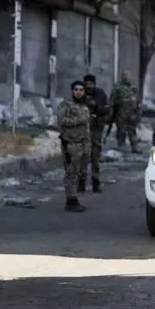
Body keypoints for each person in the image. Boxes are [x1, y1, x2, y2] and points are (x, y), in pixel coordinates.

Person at [58, 81, 91, 212]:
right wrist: (78, 120)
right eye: (76, 89)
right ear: (72, 91)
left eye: (81, 90)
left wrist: (88, 146)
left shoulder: (84, 107)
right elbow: (61, 121)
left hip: (83, 144)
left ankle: (75, 196)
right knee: (71, 173)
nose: (78, 92)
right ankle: (71, 201)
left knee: (79, 172)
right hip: (71, 144)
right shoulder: (65, 105)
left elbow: (87, 127)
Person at [83, 74, 110, 192]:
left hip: (96, 131)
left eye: (91, 84)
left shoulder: (100, 94)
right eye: (87, 84)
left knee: (95, 157)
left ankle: (95, 182)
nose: (89, 86)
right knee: (82, 157)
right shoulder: (80, 93)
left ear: (94, 84)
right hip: (82, 131)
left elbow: (106, 110)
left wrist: (96, 106)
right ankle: (81, 182)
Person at [109, 70, 140, 153]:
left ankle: (134, 148)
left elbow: (138, 100)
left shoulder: (133, 87)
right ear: (121, 76)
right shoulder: (117, 87)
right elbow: (112, 100)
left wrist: (138, 113)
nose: (125, 76)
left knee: (132, 131)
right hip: (121, 114)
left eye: (127, 75)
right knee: (121, 131)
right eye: (124, 75)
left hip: (132, 114)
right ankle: (121, 147)